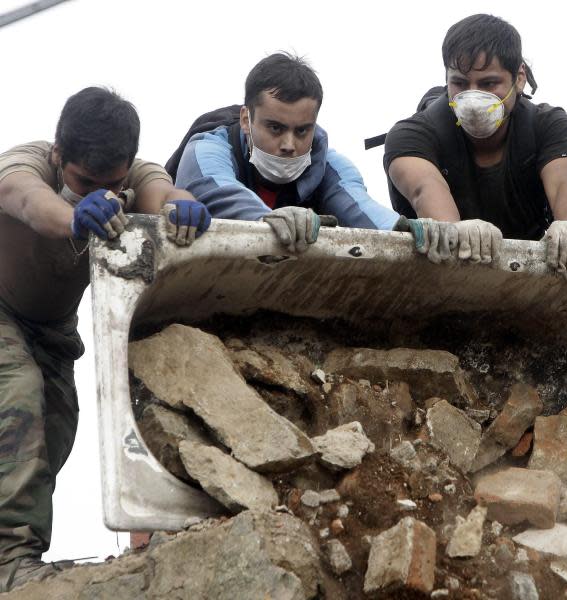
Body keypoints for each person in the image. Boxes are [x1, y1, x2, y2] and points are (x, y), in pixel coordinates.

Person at [0, 86, 211, 591]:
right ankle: (10, 561)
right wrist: (72, 215)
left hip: (52, 329)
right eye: (83, 181)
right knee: (18, 398)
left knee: (51, 432)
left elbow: (164, 195)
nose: (101, 191)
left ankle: (17, 548)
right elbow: (26, 201)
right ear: (58, 155)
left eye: (111, 183)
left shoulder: (135, 177)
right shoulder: (26, 163)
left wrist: (184, 208)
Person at [173, 52, 465, 263]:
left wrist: (408, 230)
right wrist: (265, 219)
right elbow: (215, 187)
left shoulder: (328, 164)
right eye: (275, 128)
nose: (289, 144)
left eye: (302, 130)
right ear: (246, 119)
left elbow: (358, 206)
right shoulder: (208, 147)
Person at [382, 13, 567, 277]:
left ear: (519, 78)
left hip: (533, 279)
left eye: (489, 83)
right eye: (459, 83)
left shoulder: (550, 126)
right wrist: (454, 230)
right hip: (440, 278)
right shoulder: (410, 135)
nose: (473, 96)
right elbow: (424, 189)